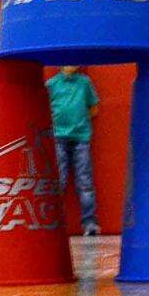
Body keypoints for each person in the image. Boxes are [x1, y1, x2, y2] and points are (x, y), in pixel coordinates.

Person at [46, 65, 101, 236]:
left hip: (81, 137)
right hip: (58, 137)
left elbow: (94, 108)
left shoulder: (85, 83)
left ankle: (89, 223)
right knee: (58, 181)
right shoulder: (51, 84)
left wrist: (79, 123)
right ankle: (53, 221)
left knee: (84, 181)